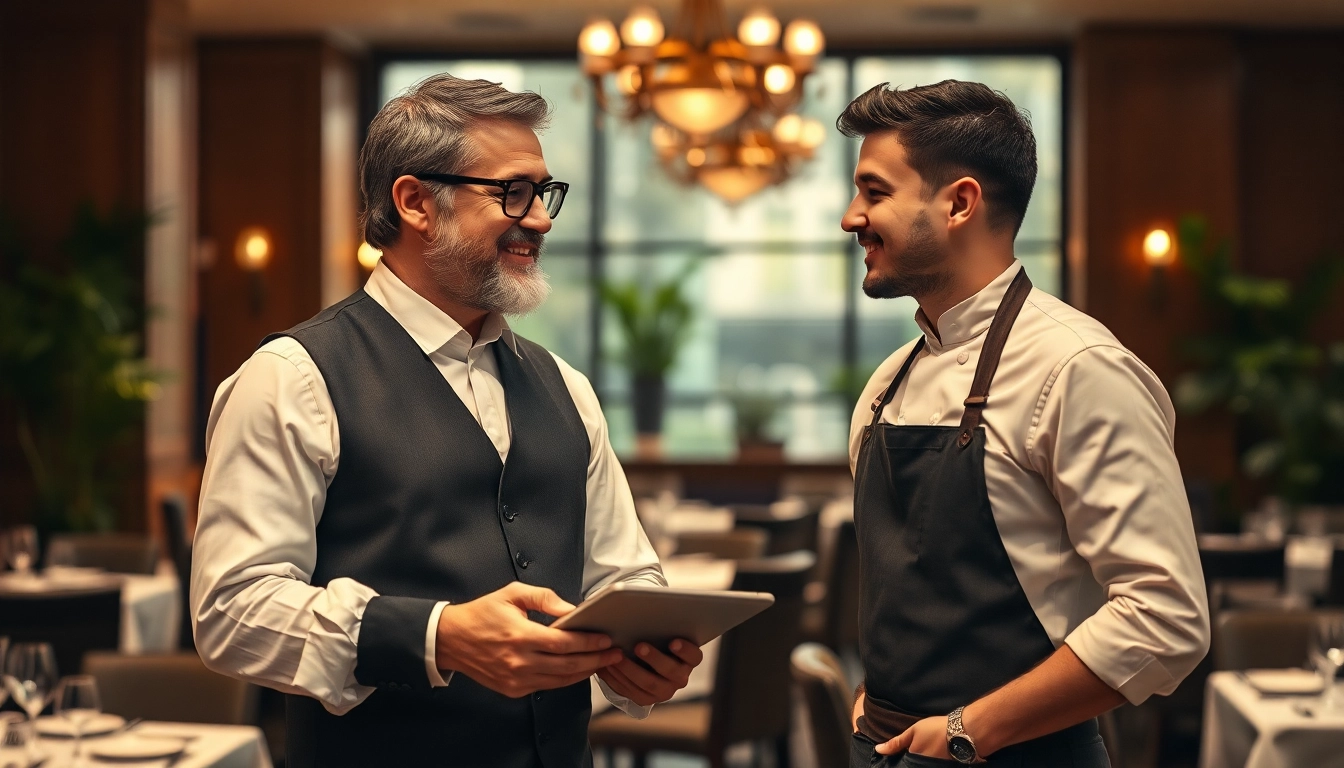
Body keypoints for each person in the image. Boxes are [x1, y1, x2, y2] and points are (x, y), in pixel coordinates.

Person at [191, 74, 702, 768]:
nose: (542, 221)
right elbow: (233, 611)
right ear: (414, 202)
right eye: (512, 192)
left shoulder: (566, 387)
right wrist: (434, 636)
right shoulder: (292, 377)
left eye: (545, 193)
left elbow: (625, 574)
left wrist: (645, 650)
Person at [839, 80, 1210, 766]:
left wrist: (966, 729)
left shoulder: (1079, 369)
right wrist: (875, 696)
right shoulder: (884, 387)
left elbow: (1165, 618)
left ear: (959, 203)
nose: (850, 216)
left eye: (874, 191)